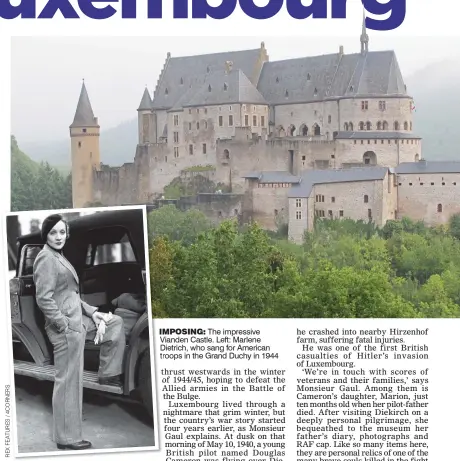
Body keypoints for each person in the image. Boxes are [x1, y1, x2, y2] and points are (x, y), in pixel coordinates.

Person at [33, 214, 126, 451]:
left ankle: (108, 372)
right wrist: (63, 325)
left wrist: (93, 312)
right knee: (68, 382)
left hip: (79, 319)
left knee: (114, 322)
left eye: (62, 232)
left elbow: (70, 295)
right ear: (46, 235)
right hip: (65, 328)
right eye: (53, 232)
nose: (58, 237)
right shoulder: (46, 258)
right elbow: (44, 299)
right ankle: (66, 438)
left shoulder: (58, 256)